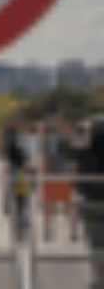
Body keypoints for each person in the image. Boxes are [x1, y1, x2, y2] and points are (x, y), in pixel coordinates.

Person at [70, 117, 104, 287]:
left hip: (91, 199)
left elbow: (73, 153)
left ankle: (100, 278)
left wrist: (81, 130)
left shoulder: (86, 144)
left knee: (96, 242)